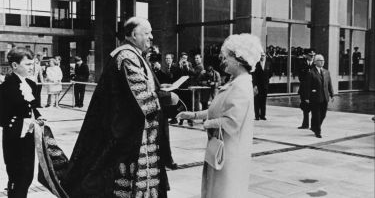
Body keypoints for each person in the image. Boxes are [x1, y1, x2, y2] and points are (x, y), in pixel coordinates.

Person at [58, 17, 179, 198]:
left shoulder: (135, 55)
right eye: (146, 33)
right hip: (128, 135)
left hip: (135, 133)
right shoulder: (126, 56)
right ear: (132, 35)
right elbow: (141, 97)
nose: (151, 37)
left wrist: (161, 91)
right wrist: (168, 97)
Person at [177, 33, 261, 198]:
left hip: (230, 154)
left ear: (238, 59)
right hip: (222, 150)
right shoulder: (234, 82)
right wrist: (193, 115)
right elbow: (216, 110)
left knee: (224, 192)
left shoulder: (241, 86)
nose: (223, 61)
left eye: (227, 57)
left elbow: (232, 121)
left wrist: (207, 124)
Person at [0, 47, 44, 198]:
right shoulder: (6, 88)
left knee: (27, 176)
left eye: (33, 64)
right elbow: (3, 118)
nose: (32, 67)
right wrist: (26, 123)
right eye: (28, 64)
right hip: (13, 139)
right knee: (16, 177)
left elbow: (31, 108)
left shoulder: (31, 85)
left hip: (28, 138)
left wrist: (38, 117)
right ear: (14, 66)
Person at [303, 54, 334, 138]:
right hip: (315, 97)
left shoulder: (326, 72)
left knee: (323, 114)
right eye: (320, 60)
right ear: (315, 62)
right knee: (316, 114)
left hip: (324, 97)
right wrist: (307, 97)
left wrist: (332, 94)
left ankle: (314, 127)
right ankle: (318, 131)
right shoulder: (311, 73)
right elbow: (307, 86)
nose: (322, 62)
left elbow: (329, 84)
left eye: (323, 60)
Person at [297, 49, 315, 129]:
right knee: (305, 107)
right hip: (304, 89)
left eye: (313, 55)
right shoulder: (301, 64)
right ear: (307, 55)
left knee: (314, 107)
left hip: (313, 90)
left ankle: (314, 125)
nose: (312, 57)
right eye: (310, 55)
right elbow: (300, 77)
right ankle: (305, 124)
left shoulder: (315, 65)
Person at [252, 52, 273, 120]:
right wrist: (254, 85)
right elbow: (254, 75)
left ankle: (263, 115)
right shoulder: (256, 64)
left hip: (265, 85)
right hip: (258, 85)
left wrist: (266, 80)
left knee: (263, 101)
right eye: (261, 56)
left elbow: (270, 73)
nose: (262, 57)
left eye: (263, 56)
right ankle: (257, 116)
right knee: (257, 101)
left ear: (265, 56)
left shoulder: (268, 64)